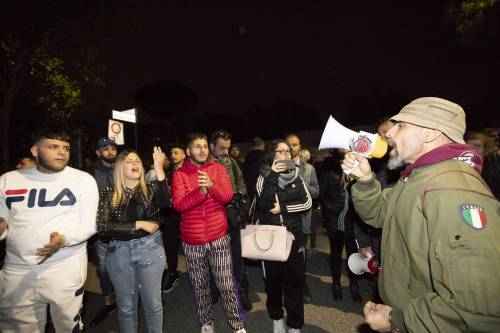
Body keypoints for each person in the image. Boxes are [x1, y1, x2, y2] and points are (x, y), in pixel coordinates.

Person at [341, 97, 500, 333]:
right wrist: (364, 180)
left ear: (429, 134)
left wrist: (399, 319)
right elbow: (378, 213)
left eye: (401, 125)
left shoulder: (452, 189)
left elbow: (478, 303)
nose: (390, 133)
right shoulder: (420, 177)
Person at [0, 128, 99, 332]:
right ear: (35, 151)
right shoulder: (8, 180)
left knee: (67, 326)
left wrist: (63, 240)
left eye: (65, 148)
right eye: (53, 147)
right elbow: (4, 222)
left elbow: (90, 224)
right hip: (17, 269)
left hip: (64, 267)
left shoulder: (83, 180)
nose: (62, 152)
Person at [171, 133, 246, 333]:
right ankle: (206, 322)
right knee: (200, 285)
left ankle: (237, 325)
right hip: (192, 241)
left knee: (227, 284)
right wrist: (200, 193)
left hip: (218, 237)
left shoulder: (218, 169)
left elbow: (227, 196)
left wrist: (211, 187)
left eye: (205, 146)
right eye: (197, 146)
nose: (203, 150)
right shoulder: (179, 174)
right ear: (188, 151)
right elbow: (179, 205)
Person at [96, 147, 170, 333]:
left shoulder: (151, 189)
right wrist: (138, 224)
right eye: (129, 161)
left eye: (137, 161)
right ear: (120, 167)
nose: (135, 163)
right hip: (118, 253)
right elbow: (102, 228)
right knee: (127, 307)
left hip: (150, 249)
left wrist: (160, 170)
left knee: (153, 305)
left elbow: (166, 203)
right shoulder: (108, 194)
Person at [256, 139, 312, 333]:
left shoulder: (297, 176)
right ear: (273, 155)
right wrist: (273, 174)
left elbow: (307, 203)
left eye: (288, 152)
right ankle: (277, 317)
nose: (285, 155)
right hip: (271, 236)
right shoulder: (264, 176)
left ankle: (295, 324)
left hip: (294, 236)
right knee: (273, 282)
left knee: (295, 282)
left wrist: (283, 208)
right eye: (280, 151)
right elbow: (264, 205)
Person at [210, 130, 252, 311]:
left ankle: (242, 292)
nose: (226, 151)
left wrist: (239, 193)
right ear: (212, 146)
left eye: (228, 147)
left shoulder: (231, 161)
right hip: (213, 218)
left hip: (233, 217)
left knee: (236, 257)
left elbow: (241, 181)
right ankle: (213, 292)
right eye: (222, 148)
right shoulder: (204, 165)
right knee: (214, 258)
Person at [319, 149, 363, 302]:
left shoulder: (358, 171)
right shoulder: (330, 170)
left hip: (352, 221)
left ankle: (354, 285)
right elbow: (322, 193)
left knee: (353, 255)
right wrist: (330, 208)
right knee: (336, 254)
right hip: (334, 220)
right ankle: (336, 284)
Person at [285, 134, 319, 304]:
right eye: (289, 144)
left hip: (303, 219)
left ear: (300, 146)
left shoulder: (309, 169)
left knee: (300, 256)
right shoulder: (280, 166)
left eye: (295, 144)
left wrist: (302, 183)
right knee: (284, 255)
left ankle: (301, 285)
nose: (292, 147)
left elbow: (316, 192)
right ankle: (287, 287)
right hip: (284, 219)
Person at [89, 137, 118, 327]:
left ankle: (133, 298)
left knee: (128, 266)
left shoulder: (124, 168)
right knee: (104, 268)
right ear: (98, 153)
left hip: (126, 227)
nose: (110, 151)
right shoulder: (89, 174)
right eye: (105, 149)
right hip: (103, 229)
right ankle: (109, 303)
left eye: (113, 148)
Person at [161, 143, 186, 293]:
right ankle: (172, 273)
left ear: (185, 154)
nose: (173, 155)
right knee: (170, 245)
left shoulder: (191, 171)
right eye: (172, 153)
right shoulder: (168, 173)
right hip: (171, 215)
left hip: (187, 214)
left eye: (177, 152)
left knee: (192, 246)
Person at [465, 131, 500, 199]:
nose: (473, 150)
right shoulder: (461, 164)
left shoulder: (494, 164)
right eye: (469, 146)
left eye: (478, 146)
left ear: (485, 149)